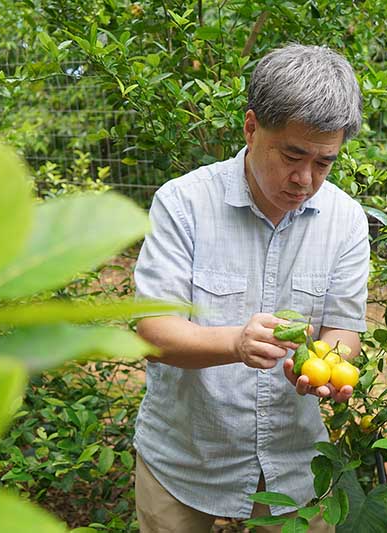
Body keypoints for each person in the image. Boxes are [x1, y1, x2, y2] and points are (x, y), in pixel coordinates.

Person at [132, 43, 369, 533]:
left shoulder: (346, 220)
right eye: (293, 155)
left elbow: (344, 333)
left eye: (325, 163)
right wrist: (235, 343)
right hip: (183, 455)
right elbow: (152, 334)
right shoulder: (183, 204)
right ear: (251, 127)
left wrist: (330, 368)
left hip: (294, 460)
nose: (305, 179)